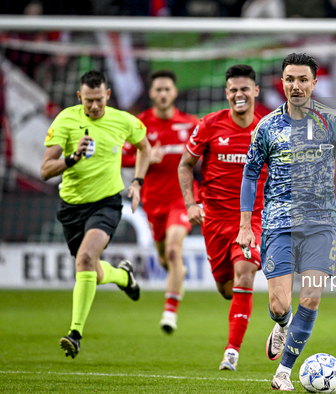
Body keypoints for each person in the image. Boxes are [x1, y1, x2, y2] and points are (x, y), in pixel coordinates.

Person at [236, 53, 336, 391]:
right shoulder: (267, 126)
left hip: (322, 224)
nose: (295, 86)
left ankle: (283, 373)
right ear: (282, 83)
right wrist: (244, 225)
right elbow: (251, 174)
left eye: (302, 80)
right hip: (279, 222)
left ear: (314, 83)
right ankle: (282, 324)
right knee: (279, 304)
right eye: (289, 80)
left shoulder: (332, 122)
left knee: (311, 297)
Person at [40, 70, 151, 358]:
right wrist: (72, 157)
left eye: (99, 100)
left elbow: (144, 147)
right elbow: (45, 170)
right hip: (72, 207)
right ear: (80, 97)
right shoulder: (65, 120)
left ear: (108, 96)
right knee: (89, 268)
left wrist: (137, 181)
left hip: (107, 202)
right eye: (88, 101)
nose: (94, 106)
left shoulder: (123, 120)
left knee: (86, 258)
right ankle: (122, 277)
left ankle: (75, 334)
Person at [178, 64, 267, 371]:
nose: (239, 94)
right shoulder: (208, 125)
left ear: (255, 91)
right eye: (233, 90)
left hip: (253, 219)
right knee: (228, 288)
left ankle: (232, 351)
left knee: (245, 273)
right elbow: (185, 165)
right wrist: (191, 204)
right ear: (226, 93)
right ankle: (240, 307)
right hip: (214, 220)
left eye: (245, 89)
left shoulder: (267, 129)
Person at [122, 70, 199, 334]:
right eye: (158, 90)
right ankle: (177, 275)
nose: (163, 94)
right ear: (151, 93)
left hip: (183, 197)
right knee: (166, 258)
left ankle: (169, 313)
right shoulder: (139, 125)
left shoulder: (190, 124)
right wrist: (144, 158)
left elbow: (207, 158)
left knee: (174, 250)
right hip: (153, 202)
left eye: (168, 89)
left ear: (174, 92)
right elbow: (121, 157)